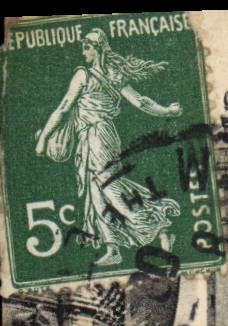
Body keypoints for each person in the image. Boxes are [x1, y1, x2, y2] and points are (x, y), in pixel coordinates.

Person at [34, 29, 183, 268]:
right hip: (94, 137)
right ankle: (112, 247)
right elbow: (141, 101)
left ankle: (159, 228)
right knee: (95, 193)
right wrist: (166, 111)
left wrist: (43, 139)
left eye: (87, 47)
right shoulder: (112, 74)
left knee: (110, 189)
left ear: (99, 48)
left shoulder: (85, 75)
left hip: (98, 136)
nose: (84, 52)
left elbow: (64, 107)